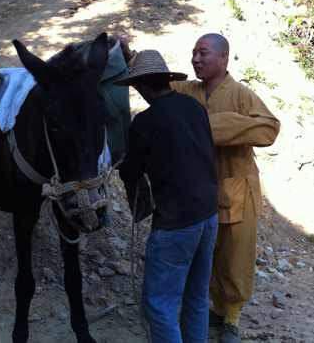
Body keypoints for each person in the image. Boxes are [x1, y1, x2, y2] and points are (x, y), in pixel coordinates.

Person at [118, 34, 280, 343]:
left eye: (203, 53)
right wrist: (130, 57)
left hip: (232, 187)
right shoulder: (188, 93)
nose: (196, 59)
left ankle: (230, 318)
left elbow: (269, 128)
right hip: (203, 194)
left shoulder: (241, 95)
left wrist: (211, 127)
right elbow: (156, 83)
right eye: (193, 53)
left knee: (234, 257)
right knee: (199, 278)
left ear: (224, 57)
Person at [115, 49, 219, 343]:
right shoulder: (194, 107)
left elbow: (131, 172)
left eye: (136, 86)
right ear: (165, 79)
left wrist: (124, 165)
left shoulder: (145, 122)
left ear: (142, 85)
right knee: (196, 297)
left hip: (176, 223)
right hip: (209, 214)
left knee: (159, 305)